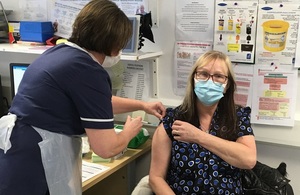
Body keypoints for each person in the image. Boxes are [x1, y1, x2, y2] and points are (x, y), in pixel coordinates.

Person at [0, 1, 165, 195]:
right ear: (114, 45)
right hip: (38, 158)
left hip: (18, 151)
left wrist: (143, 105)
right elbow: (106, 148)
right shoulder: (88, 70)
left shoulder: (60, 53)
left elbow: (97, 102)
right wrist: (128, 132)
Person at [149, 50, 257, 195]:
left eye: (218, 76)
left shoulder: (237, 117)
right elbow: (156, 178)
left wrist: (198, 136)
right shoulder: (173, 119)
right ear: (194, 79)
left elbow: (248, 160)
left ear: (227, 84)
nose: (210, 81)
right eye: (203, 74)